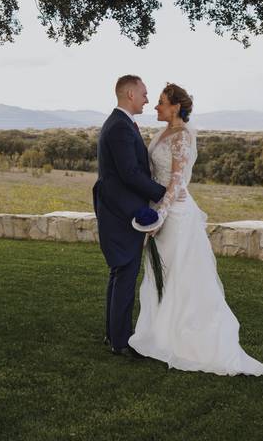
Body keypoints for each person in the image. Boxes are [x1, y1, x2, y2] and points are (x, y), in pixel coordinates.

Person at [128, 83, 263, 375]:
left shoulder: (183, 136)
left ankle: (188, 341)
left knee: (183, 276)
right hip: (161, 209)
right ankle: (160, 334)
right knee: (163, 273)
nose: (156, 107)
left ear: (176, 107)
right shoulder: (162, 133)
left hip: (176, 215)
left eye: (161, 102)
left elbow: (178, 182)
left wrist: (160, 217)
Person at [93, 75, 166, 358]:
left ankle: (113, 334)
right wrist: (163, 193)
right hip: (122, 213)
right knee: (125, 274)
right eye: (145, 94)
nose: (148, 99)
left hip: (118, 211)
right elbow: (129, 173)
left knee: (120, 273)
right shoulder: (120, 127)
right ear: (130, 94)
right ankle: (120, 342)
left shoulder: (120, 123)